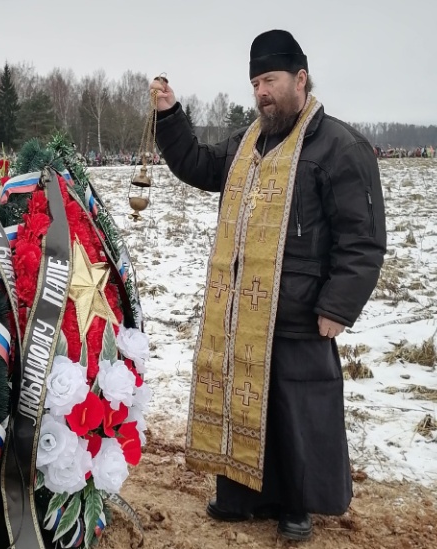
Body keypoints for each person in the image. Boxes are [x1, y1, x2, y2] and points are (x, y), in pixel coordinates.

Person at [150, 29, 386, 541]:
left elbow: (363, 240)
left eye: (271, 80)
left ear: (300, 79)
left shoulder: (340, 146)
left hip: (303, 310)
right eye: (256, 82)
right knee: (244, 401)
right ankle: (242, 497)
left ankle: (296, 504)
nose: (262, 92)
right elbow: (198, 163)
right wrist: (170, 115)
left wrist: (339, 305)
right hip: (243, 308)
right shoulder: (246, 142)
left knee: (295, 410)